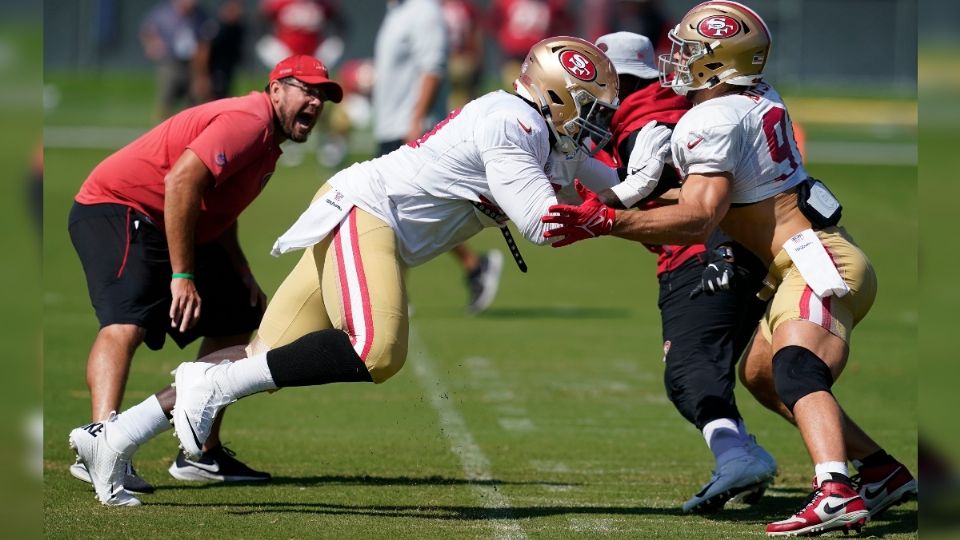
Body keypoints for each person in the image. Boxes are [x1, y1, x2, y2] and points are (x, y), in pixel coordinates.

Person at [68, 35, 623, 507]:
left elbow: (615, 186)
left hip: (363, 216)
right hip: (369, 212)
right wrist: (620, 221)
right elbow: (541, 224)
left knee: (255, 356)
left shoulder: (542, 133)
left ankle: (115, 436)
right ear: (554, 92)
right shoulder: (513, 123)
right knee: (378, 349)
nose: (598, 119)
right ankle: (202, 389)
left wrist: (658, 177)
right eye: (591, 104)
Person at [542, 3, 917, 535]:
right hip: (795, 260)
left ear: (722, 62)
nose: (678, 60)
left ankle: (834, 490)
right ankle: (882, 472)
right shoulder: (756, 98)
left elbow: (698, 219)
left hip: (813, 261)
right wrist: (639, 190)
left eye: (692, 52)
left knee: (794, 370)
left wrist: (605, 221)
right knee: (762, 375)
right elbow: (715, 196)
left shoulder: (711, 117)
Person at [67, 55, 344, 498]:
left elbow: (219, 210)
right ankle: (100, 447)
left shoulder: (267, 141)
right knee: (126, 323)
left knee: (239, 311)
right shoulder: (250, 121)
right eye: (306, 91)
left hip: (176, 221)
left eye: (322, 96)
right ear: (276, 89)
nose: (315, 102)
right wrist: (182, 276)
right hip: (119, 207)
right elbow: (181, 183)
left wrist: (243, 271)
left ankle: (201, 453)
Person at [592, 30, 776, 514]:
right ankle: (866, 466)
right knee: (777, 377)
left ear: (619, 82)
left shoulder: (643, 119)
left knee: (689, 371)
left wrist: (598, 212)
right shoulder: (684, 105)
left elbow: (654, 179)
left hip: (701, 255)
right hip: (754, 252)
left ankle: (738, 457)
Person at [373, 0, 502, 313]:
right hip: (390, 123)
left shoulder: (424, 10)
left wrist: (416, 120)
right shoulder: (399, 11)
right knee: (397, 214)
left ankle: (397, 292)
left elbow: (433, 67)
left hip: (410, 126)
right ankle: (472, 266)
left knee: (399, 212)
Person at [139, 0, 218, 120]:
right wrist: (152, 44)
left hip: (194, 62)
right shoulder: (163, 13)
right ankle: (162, 131)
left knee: (194, 100)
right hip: (170, 61)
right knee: (167, 98)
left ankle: (189, 131)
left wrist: (202, 75)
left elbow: (204, 44)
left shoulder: (201, 16)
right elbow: (147, 30)